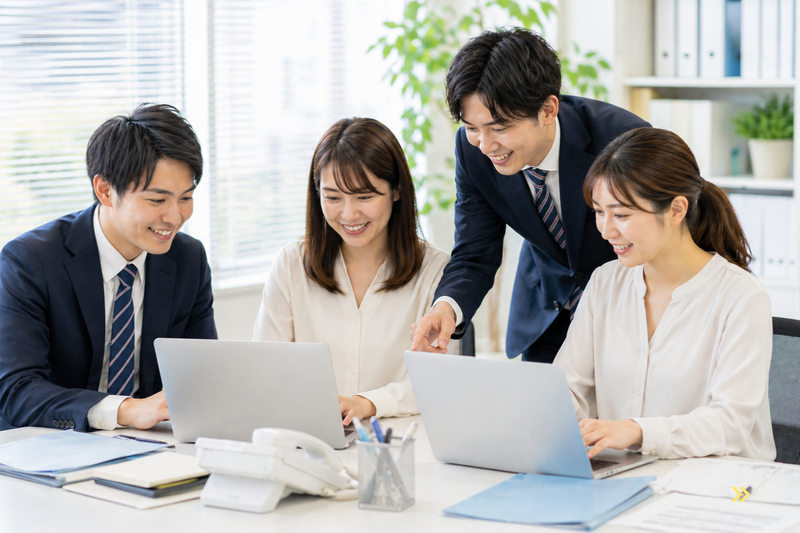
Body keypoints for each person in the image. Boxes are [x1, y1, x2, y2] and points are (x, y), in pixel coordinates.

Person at [410, 28, 650, 362]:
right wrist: (446, 309)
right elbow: (475, 252)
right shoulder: (472, 150)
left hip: (630, 311)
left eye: (499, 128)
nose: (486, 145)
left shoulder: (624, 141)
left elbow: (661, 242)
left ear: (548, 110)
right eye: (472, 127)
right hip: (548, 314)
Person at [553, 128, 775, 461]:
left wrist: (637, 431)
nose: (606, 230)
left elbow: (729, 424)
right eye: (599, 212)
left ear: (675, 210)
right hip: (627, 473)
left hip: (725, 483)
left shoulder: (742, 296)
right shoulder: (605, 282)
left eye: (622, 215)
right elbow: (567, 388)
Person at [0, 104, 217, 432]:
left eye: (185, 198)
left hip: (148, 443)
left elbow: (203, 375)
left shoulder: (189, 259)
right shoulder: (30, 260)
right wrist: (125, 410)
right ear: (105, 190)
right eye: (157, 200)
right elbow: (15, 390)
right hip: (49, 442)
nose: (174, 217)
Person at [253, 117, 453, 425]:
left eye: (364, 196)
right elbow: (265, 368)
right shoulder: (291, 264)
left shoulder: (436, 271)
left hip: (399, 440)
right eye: (333, 197)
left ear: (396, 190)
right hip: (309, 436)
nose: (348, 214)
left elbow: (439, 379)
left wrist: (367, 403)